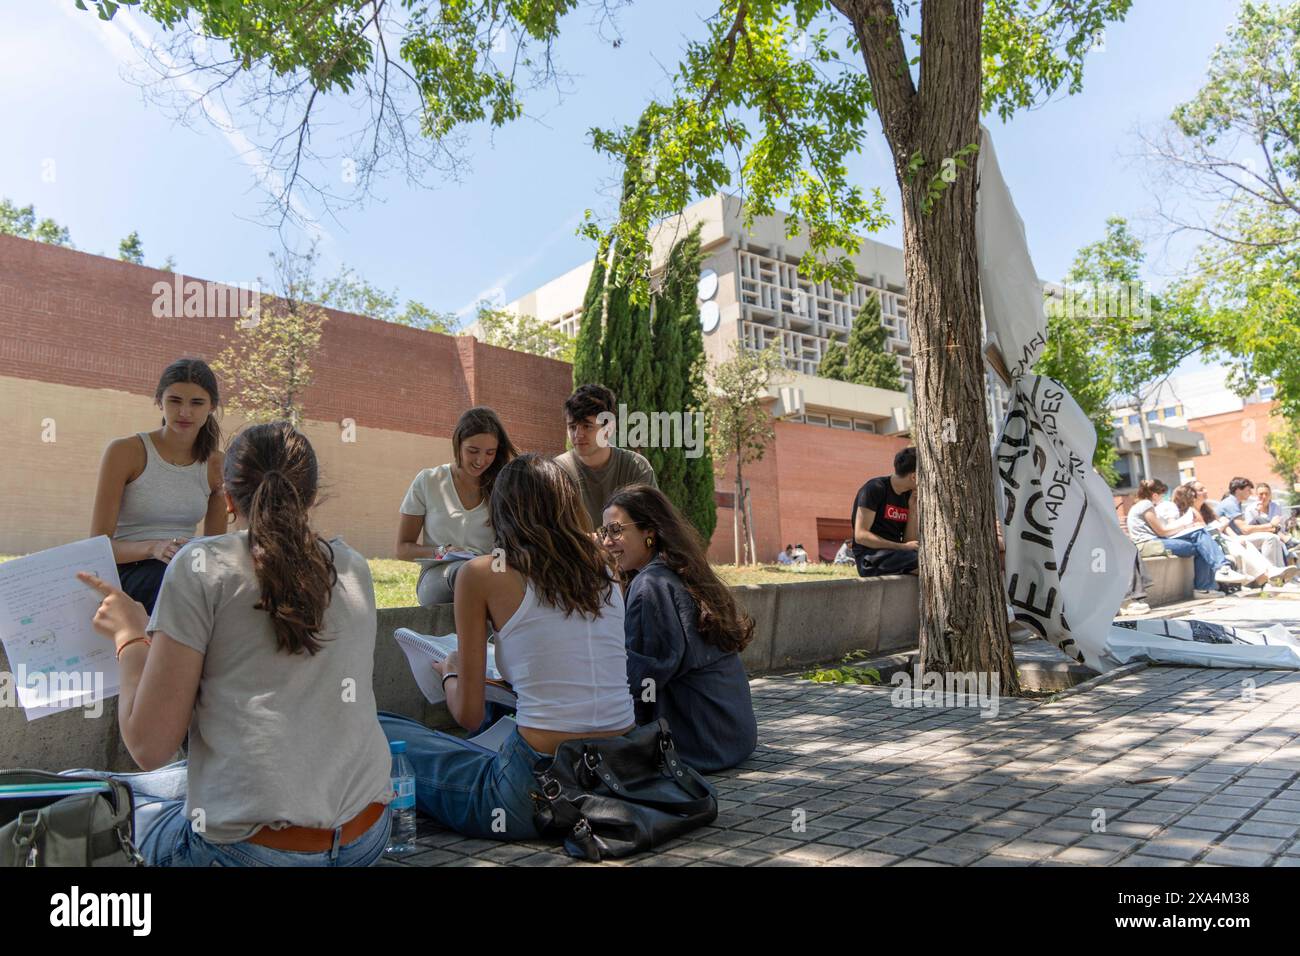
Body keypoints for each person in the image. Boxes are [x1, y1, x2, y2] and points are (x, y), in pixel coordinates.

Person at [73, 421, 394, 866]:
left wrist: (129, 635)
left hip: (251, 853)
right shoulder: (353, 567)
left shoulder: (201, 567)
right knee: (148, 784)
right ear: (313, 495)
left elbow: (148, 746)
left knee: (83, 807)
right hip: (367, 834)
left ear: (226, 498)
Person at [377, 454, 637, 839]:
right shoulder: (605, 566)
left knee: (378, 729)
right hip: (619, 772)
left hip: (532, 789)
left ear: (501, 510)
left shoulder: (481, 574)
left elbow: (467, 714)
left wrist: (451, 672)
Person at [600, 485, 757, 773]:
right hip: (733, 737)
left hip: (696, 746)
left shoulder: (651, 586)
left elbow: (642, 680)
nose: (607, 542)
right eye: (604, 532)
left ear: (650, 531)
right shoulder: (681, 572)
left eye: (615, 530)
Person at [89, 358, 227, 614]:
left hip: (184, 569)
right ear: (158, 400)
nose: (185, 412)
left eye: (197, 403)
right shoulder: (125, 451)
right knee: (175, 586)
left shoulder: (217, 464)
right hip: (131, 569)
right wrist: (154, 548)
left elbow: (214, 546)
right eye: (175, 400)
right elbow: (98, 546)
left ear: (212, 407)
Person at [397, 407, 517, 607]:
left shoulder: (503, 487)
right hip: (438, 576)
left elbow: (510, 549)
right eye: (473, 451)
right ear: (458, 444)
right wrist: (441, 551)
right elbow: (402, 549)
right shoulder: (428, 480)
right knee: (465, 572)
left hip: (489, 574)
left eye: (490, 453)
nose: (481, 460)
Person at [554, 384, 657, 530]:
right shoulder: (556, 472)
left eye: (587, 426)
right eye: (572, 427)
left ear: (609, 429)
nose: (577, 435)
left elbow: (651, 528)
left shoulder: (636, 468)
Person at [1127, 478, 1252, 597]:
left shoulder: (1141, 505)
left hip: (1153, 542)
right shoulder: (1146, 504)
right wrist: (1184, 525)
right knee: (1200, 538)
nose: (1161, 499)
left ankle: (1212, 580)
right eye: (1161, 495)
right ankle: (1214, 576)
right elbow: (1161, 531)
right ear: (1155, 495)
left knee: (1200, 541)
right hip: (1149, 544)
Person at [851, 446, 919, 577]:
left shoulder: (908, 495)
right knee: (926, 562)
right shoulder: (875, 488)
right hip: (870, 558)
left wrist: (912, 509)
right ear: (914, 477)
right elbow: (860, 536)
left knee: (929, 558)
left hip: (899, 555)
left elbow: (909, 541)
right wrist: (902, 547)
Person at [1219, 477, 1289, 569]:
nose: (1251, 493)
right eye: (1248, 490)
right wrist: (1271, 525)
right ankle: (1271, 572)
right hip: (1228, 540)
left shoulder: (1236, 503)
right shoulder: (1230, 503)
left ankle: (1281, 572)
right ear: (1238, 490)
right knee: (1271, 537)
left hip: (1236, 536)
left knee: (1275, 537)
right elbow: (1245, 530)